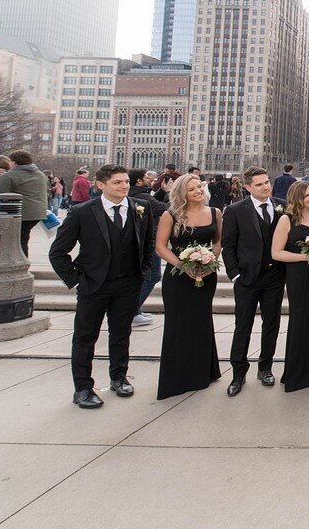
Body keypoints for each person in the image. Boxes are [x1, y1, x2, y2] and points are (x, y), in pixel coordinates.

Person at [49, 165, 156, 408]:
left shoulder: (142, 208)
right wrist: (76, 280)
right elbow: (58, 252)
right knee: (86, 337)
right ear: (101, 184)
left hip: (128, 283)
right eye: (117, 182)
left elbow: (148, 242)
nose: (124, 186)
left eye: (126, 181)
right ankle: (83, 388)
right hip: (94, 286)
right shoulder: (82, 212)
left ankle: (119, 376)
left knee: (121, 333)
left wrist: (144, 271)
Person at [154, 173, 222, 400]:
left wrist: (210, 262)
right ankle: (178, 377)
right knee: (178, 324)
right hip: (178, 277)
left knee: (202, 321)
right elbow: (161, 247)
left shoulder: (215, 213)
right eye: (192, 189)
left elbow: (217, 241)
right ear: (182, 193)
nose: (198, 192)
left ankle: (204, 372)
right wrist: (184, 266)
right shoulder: (170, 215)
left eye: (199, 187)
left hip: (206, 274)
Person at [221, 167, 287, 397]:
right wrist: (235, 274)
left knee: (271, 324)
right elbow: (228, 245)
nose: (266, 187)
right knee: (243, 326)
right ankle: (238, 373)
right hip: (247, 278)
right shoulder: (235, 210)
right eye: (259, 184)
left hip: (275, 277)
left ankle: (265, 367)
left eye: (267, 182)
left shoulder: (282, 207)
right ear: (248, 187)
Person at [271, 181, 309, 392]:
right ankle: (298, 372)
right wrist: (305, 256)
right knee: (301, 320)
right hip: (299, 275)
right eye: (307, 195)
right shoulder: (286, 220)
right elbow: (276, 253)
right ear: (297, 197)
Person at [0, 150, 49, 257]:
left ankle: (20, 264)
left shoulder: (8, 176)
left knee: (18, 240)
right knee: (23, 238)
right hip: (38, 212)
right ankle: (21, 261)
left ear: (14, 162)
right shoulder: (40, 174)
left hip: (20, 213)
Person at [128, 169, 169, 326]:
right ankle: (132, 310)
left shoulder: (136, 194)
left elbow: (151, 202)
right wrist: (172, 194)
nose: (149, 179)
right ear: (138, 181)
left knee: (146, 275)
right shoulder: (142, 196)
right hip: (148, 241)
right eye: (146, 177)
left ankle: (133, 310)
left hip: (140, 241)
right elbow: (162, 208)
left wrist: (161, 191)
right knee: (153, 275)